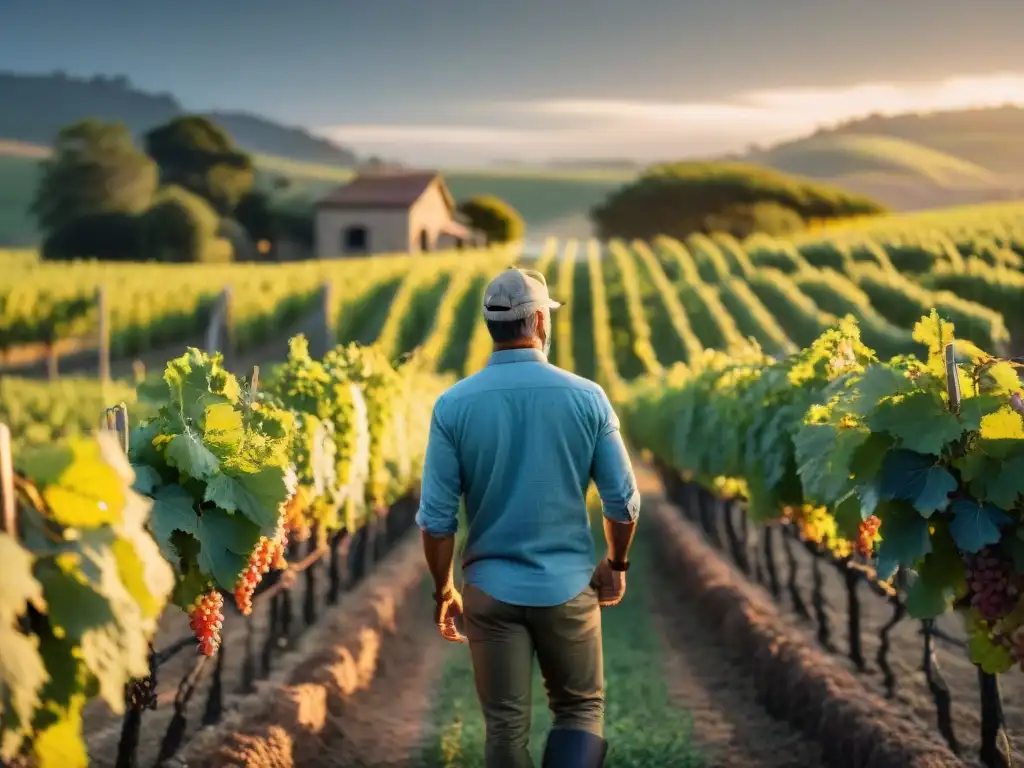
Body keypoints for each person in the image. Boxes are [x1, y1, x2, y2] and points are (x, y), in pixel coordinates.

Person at [416, 265, 640, 768]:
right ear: (540, 321)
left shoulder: (453, 405)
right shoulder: (587, 397)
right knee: (580, 710)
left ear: (491, 325)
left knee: (504, 726)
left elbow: (436, 519)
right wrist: (616, 564)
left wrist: (443, 590)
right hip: (568, 586)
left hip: (490, 591)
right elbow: (623, 502)